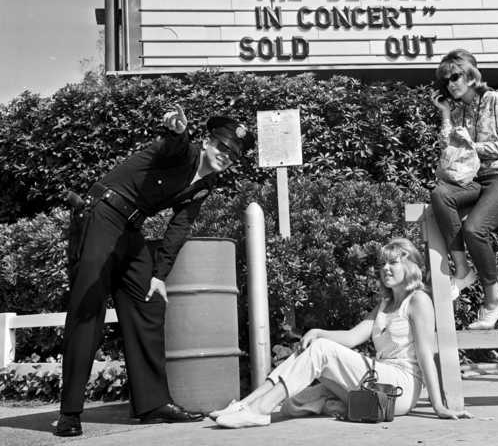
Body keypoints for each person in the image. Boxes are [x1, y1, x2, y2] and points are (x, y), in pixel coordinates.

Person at [55, 105, 255, 437]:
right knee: (87, 309)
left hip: (130, 229)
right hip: (103, 215)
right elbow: (173, 141)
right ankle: (69, 414)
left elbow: (180, 226)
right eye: (222, 147)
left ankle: (151, 404)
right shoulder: (182, 152)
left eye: (232, 155)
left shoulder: (207, 182)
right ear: (206, 142)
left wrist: (159, 274)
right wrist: (176, 128)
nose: (225, 156)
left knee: (149, 301)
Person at [209, 238, 472, 428]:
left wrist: (438, 406)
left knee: (321, 351)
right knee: (293, 403)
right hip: (377, 380)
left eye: (394, 262)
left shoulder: (418, 302)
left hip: (400, 386)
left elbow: (427, 355)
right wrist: (318, 331)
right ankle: (245, 404)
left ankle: (260, 410)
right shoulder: (383, 304)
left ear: (412, 267)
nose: (386, 268)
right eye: (383, 264)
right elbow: (351, 337)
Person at [430, 49, 498, 330]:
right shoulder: (458, 110)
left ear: (471, 75)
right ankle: (462, 271)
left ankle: (493, 300)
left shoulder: (497, 100)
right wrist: (446, 113)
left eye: (456, 76)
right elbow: (448, 149)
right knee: (441, 194)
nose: (451, 83)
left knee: (474, 228)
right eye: (446, 79)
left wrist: (475, 148)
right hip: (473, 181)